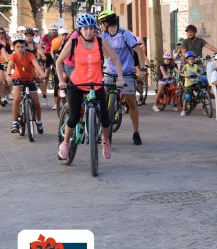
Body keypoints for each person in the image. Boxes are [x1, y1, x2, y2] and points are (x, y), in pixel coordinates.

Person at [55, 14, 124, 160]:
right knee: (73, 117)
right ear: (80, 30)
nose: (88, 31)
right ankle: (65, 143)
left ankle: (105, 142)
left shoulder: (101, 42)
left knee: (105, 119)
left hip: (96, 84)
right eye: (85, 28)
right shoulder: (73, 42)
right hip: (77, 84)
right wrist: (61, 80)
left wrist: (120, 78)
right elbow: (59, 62)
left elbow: (116, 60)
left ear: (95, 29)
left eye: (91, 28)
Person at [97, 10, 148, 145]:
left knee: (131, 102)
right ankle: (99, 131)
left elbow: (139, 51)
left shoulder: (125, 34)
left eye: (102, 23)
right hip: (111, 72)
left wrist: (142, 69)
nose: (101, 25)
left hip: (126, 73)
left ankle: (136, 132)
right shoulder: (104, 36)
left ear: (106, 22)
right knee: (102, 98)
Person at [5, 35, 46, 134]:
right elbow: (10, 65)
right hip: (17, 79)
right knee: (17, 98)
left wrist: (42, 74)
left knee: (36, 103)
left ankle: (39, 122)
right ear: (14, 48)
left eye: (22, 46)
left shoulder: (30, 55)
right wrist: (9, 75)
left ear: (26, 47)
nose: (20, 49)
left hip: (30, 80)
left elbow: (36, 64)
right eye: (17, 47)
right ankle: (15, 122)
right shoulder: (13, 55)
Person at [40, 24, 60, 105]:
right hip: (47, 54)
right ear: (50, 30)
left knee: (56, 72)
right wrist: (42, 55)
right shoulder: (46, 36)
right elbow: (40, 45)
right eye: (52, 30)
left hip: (56, 54)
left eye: (55, 30)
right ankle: (44, 94)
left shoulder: (58, 36)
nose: (53, 32)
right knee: (47, 72)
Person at [180, 51, 200, 116]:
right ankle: (183, 110)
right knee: (187, 96)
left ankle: (202, 104)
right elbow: (181, 73)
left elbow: (201, 70)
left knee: (201, 92)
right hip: (188, 84)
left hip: (195, 82)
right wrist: (185, 75)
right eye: (189, 59)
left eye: (192, 59)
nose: (191, 60)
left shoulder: (196, 66)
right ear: (187, 60)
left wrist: (202, 73)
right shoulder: (186, 66)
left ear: (194, 59)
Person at [0, 27, 11, 106]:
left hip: (2, 62)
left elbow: (5, 55)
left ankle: (3, 97)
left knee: (3, 80)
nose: (1, 34)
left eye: (2, 33)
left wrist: (10, 60)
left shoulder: (4, 43)